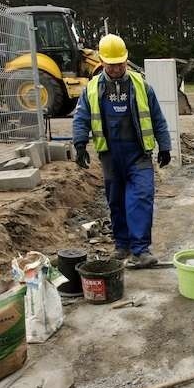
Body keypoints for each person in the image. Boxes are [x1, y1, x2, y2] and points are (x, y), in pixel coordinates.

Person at [72, 34, 171, 268]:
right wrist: (79, 144)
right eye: (111, 64)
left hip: (138, 154)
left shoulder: (141, 85)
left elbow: (157, 118)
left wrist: (165, 146)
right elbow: (82, 118)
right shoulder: (93, 89)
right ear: (102, 62)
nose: (116, 68)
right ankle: (122, 245)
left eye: (120, 63)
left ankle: (140, 250)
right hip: (110, 156)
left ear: (126, 60)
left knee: (141, 198)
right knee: (116, 201)